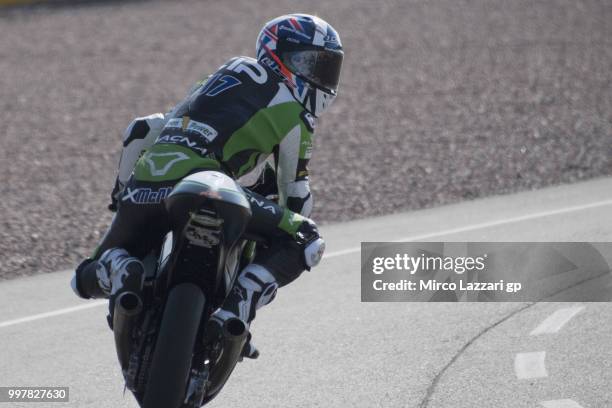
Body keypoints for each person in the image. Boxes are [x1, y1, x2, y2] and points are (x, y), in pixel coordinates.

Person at [70, 14, 344, 358]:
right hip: (209, 186)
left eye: (324, 67)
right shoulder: (297, 113)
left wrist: (123, 196)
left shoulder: (214, 79)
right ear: (277, 55)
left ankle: (119, 267)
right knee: (307, 239)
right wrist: (276, 232)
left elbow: (140, 130)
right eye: (306, 62)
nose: (316, 75)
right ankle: (238, 306)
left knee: (82, 278)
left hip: (146, 185)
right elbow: (296, 195)